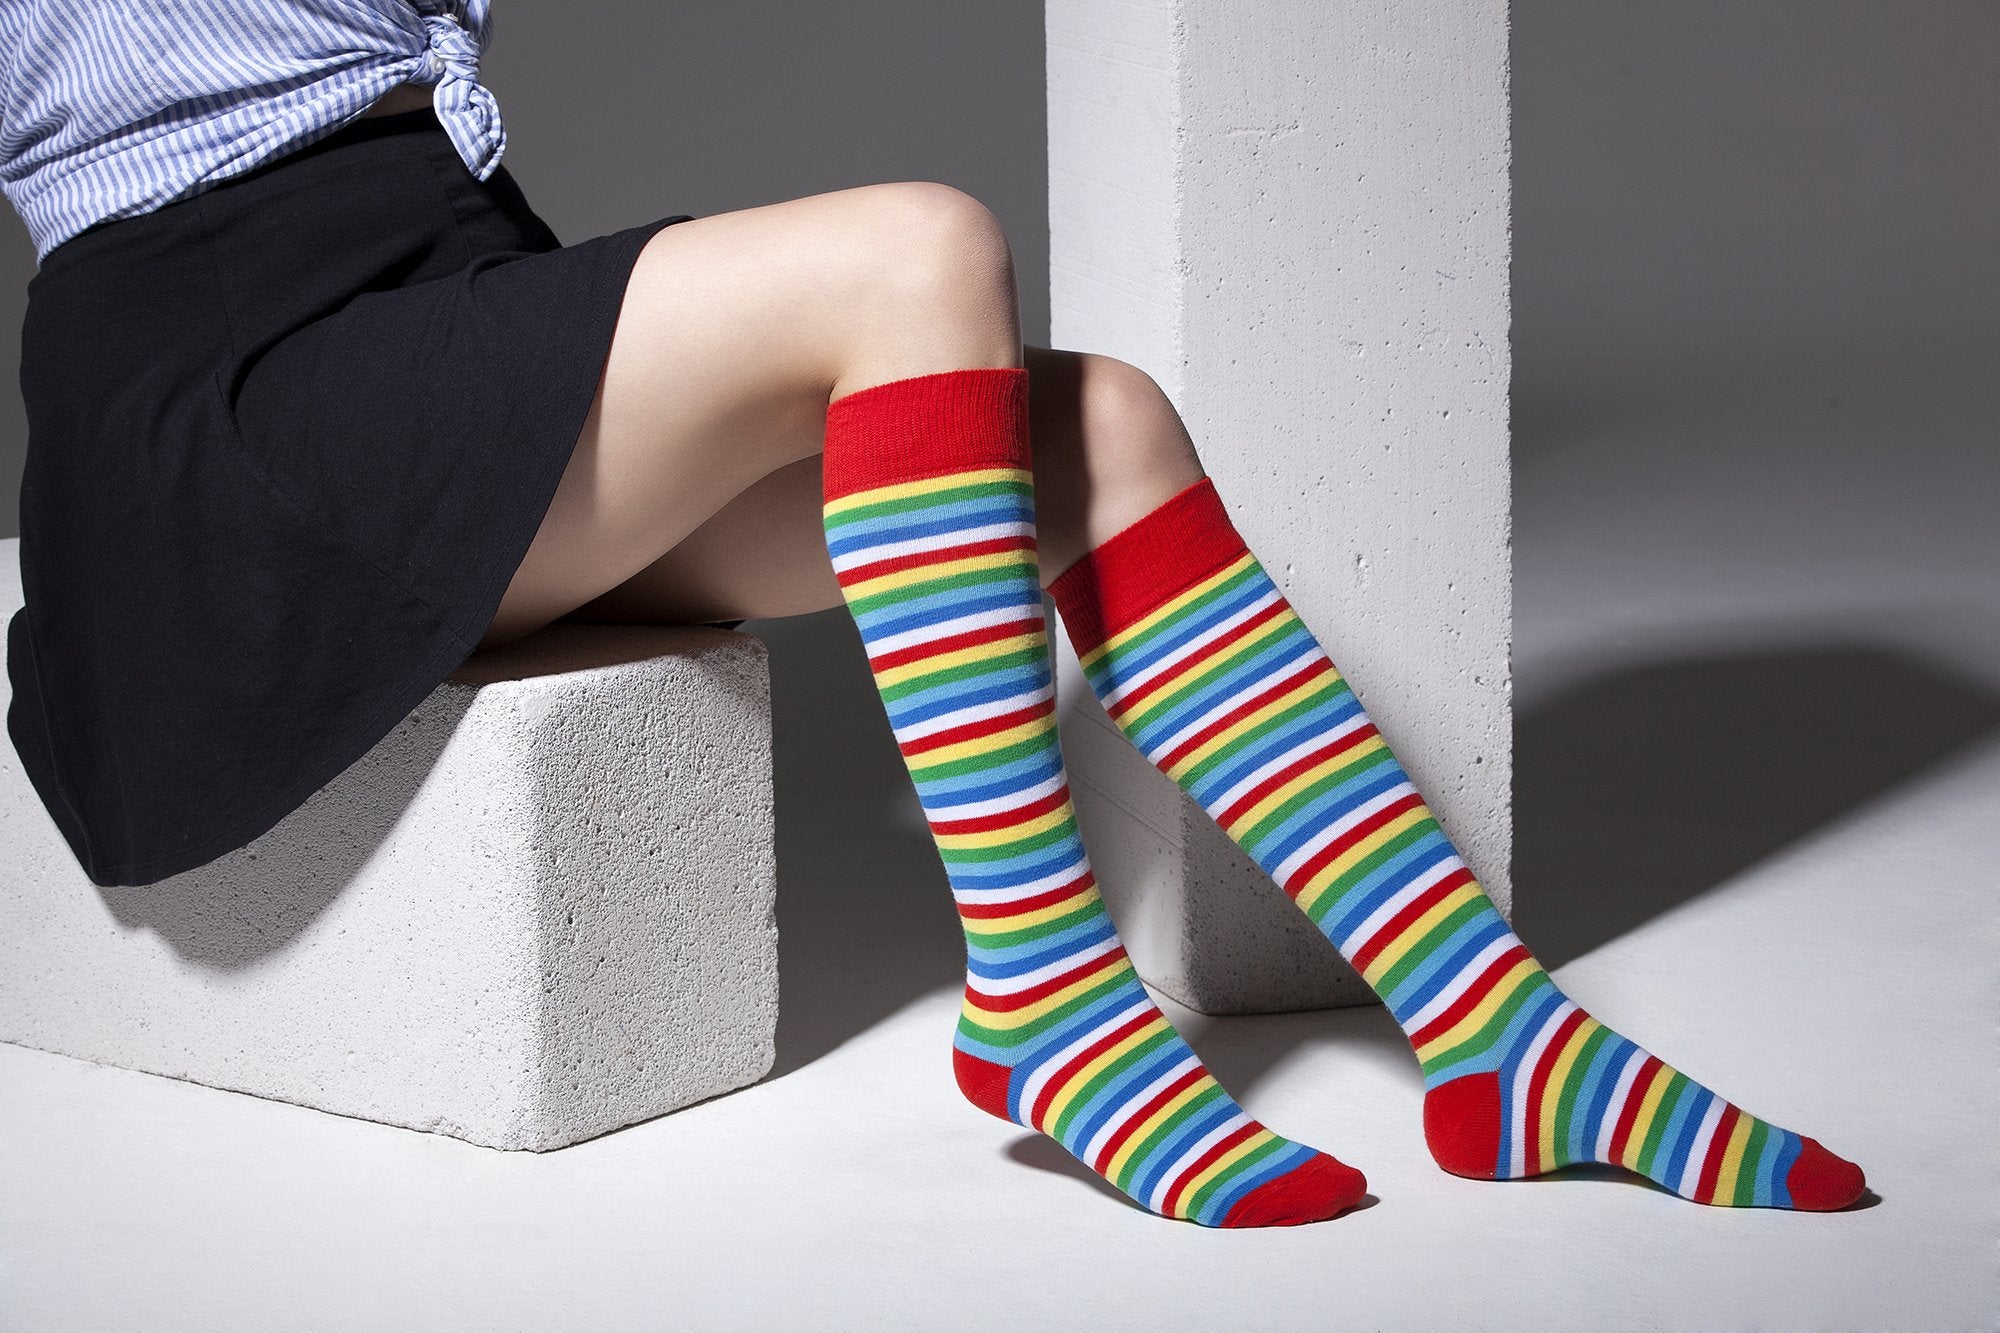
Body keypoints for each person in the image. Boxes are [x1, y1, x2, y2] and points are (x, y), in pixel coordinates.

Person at [0, 1, 1864, 1227]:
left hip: (434, 293)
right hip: (221, 373)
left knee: (1110, 427)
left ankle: (1498, 1037)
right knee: (918, 253)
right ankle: (1044, 992)